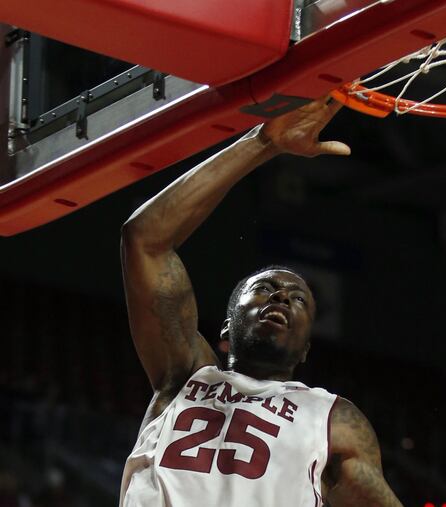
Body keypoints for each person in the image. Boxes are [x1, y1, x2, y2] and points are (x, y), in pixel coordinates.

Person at [118, 97, 402, 507]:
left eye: (300, 299)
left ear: (306, 349)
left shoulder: (333, 418)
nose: (283, 295)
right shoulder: (184, 374)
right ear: (227, 327)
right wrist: (264, 142)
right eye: (265, 288)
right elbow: (143, 240)